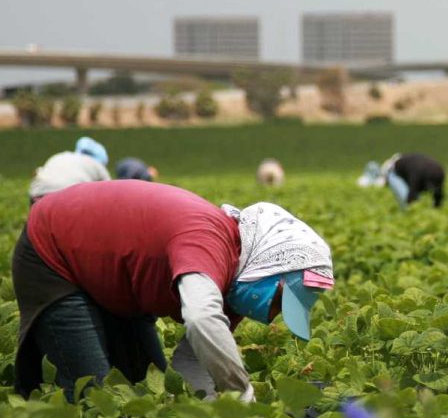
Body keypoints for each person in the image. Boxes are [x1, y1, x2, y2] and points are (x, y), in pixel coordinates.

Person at [13, 180, 334, 402]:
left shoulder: (233, 288)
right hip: (53, 253)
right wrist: (240, 394)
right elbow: (200, 319)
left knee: (145, 386)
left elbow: (190, 366)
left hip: (116, 284)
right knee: (93, 393)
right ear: (268, 265)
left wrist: (213, 414)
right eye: (279, 301)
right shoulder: (209, 240)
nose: (273, 315)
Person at [29, 136, 110, 203]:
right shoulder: (98, 165)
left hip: (38, 195)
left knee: (38, 220)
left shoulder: (60, 156)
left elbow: (38, 171)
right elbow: (109, 192)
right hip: (69, 198)